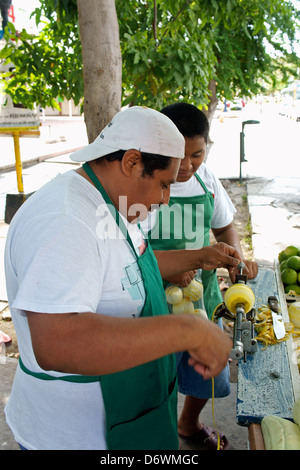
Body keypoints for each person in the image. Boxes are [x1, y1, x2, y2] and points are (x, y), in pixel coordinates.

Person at [4, 106, 240, 451]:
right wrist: (189, 330)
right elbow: (57, 343)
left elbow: (129, 267)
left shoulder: (119, 203)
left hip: (135, 413)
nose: (165, 198)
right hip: (76, 436)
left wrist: (200, 256)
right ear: (131, 162)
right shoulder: (65, 219)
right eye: (163, 184)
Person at [141, 102, 258, 450]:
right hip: (152, 297)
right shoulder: (143, 184)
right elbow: (126, 249)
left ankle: (188, 424)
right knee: (154, 376)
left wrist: (235, 256)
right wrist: (174, 267)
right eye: (180, 155)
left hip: (200, 298)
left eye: (197, 154)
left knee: (206, 368)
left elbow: (224, 228)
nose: (188, 165)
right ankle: (158, 438)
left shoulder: (206, 180)